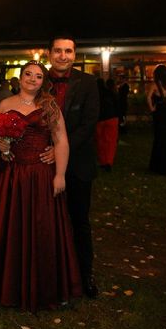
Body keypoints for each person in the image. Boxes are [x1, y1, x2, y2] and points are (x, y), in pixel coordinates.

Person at [0, 61, 82, 311]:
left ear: (43, 81)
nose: (32, 79)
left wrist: (60, 174)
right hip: (11, 175)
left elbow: (61, 142)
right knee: (9, 225)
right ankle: (6, 282)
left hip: (41, 175)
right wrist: (0, 146)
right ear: (20, 77)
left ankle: (46, 285)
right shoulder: (5, 104)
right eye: (28, 74)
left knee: (43, 227)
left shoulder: (50, 106)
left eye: (38, 76)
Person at [39, 35, 100, 298]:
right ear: (49, 53)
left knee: (79, 221)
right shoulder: (38, 80)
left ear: (75, 54)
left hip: (78, 164)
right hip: (42, 163)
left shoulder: (88, 83)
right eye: (57, 50)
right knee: (45, 222)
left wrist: (60, 149)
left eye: (68, 51)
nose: (63, 55)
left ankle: (85, 276)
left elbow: (88, 124)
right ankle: (49, 275)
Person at [147, 64, 166, 176]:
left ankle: (158, 165)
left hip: (159, 112)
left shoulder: (155, 84)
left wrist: (152, 108)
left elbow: (148, 97)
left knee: (159, 138)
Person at [95, 78, 119, 171]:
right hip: (112, 118)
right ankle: (108, 161)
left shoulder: (95, 95)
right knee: (110, 141)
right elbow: (117, 104)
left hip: (100, 119)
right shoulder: (110, 93)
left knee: (100, 141)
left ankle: (102, 161)